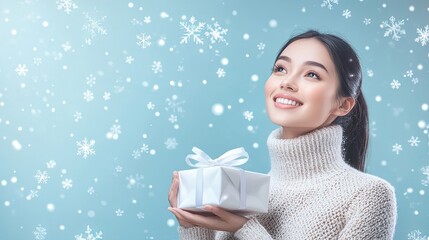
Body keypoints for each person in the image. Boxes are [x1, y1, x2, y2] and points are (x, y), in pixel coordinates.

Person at [168, 30, 397, 239]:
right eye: (280, 69)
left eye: (312, 74)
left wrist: (245, 229)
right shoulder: (244, 194)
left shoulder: (370, 195)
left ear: (343, 105)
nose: (287, 82)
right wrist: (193, 224)